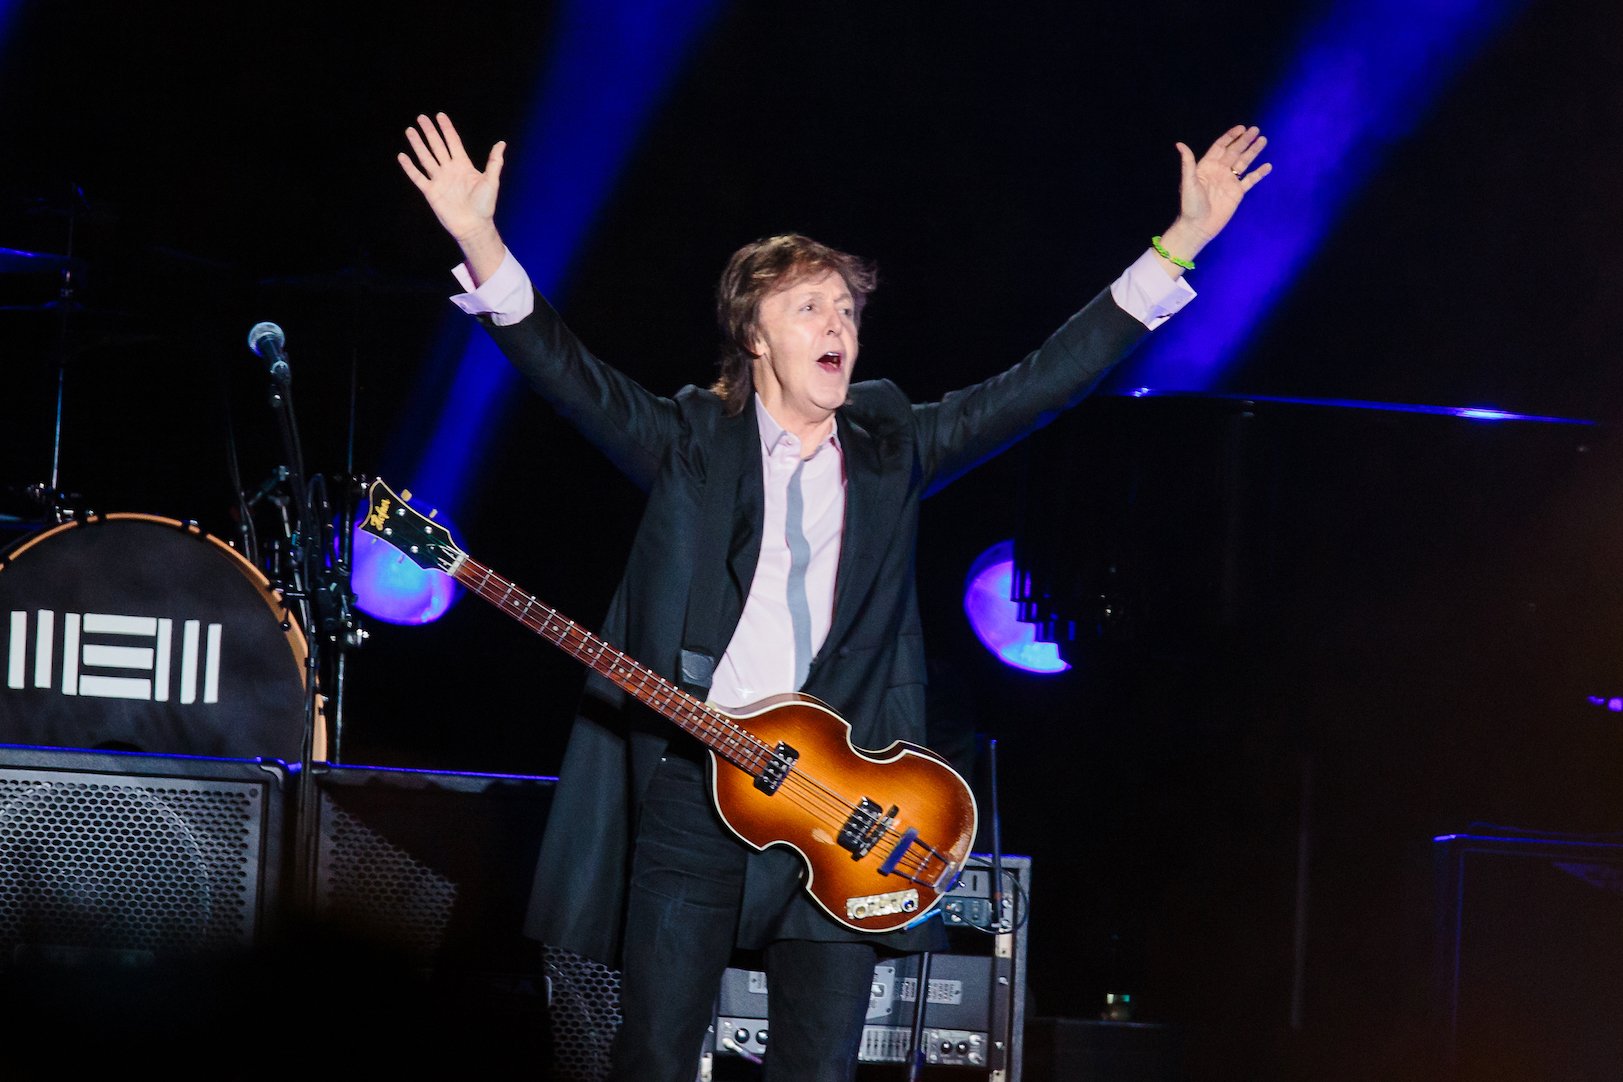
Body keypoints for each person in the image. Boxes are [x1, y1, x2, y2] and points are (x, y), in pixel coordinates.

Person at [398, 111, 1270, 1082]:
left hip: (843, 792)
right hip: (700, 776)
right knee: (651, 1051)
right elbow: (573, 377)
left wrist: (1181, 239)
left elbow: (1042, 383)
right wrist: (481, 239)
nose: (838, 327)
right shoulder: (691, 439)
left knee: (817, 1068)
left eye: (847, 310)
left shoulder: (893, 442)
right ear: (754, 333)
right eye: (810, 307)